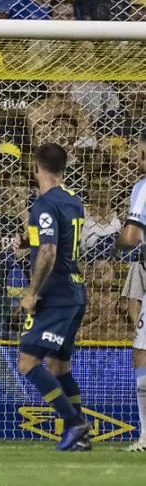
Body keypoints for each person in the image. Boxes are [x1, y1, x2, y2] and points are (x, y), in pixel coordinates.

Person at [15, 143, 91, 451]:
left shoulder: (44, 204)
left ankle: (74, 423)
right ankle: (81, 436)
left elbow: (49, 249)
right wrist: (26, 241)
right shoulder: (73, 200)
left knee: (28, 363)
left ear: (36, 168)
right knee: (60, 367)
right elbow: (58, 239)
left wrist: (31, 292)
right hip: (75, 291)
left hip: (55, 294)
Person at [114, 133, 146, 452]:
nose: (138, 159)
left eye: (141, 153)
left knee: (142, 352)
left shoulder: (143, 187)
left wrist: (111, 245)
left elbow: (132, 235)